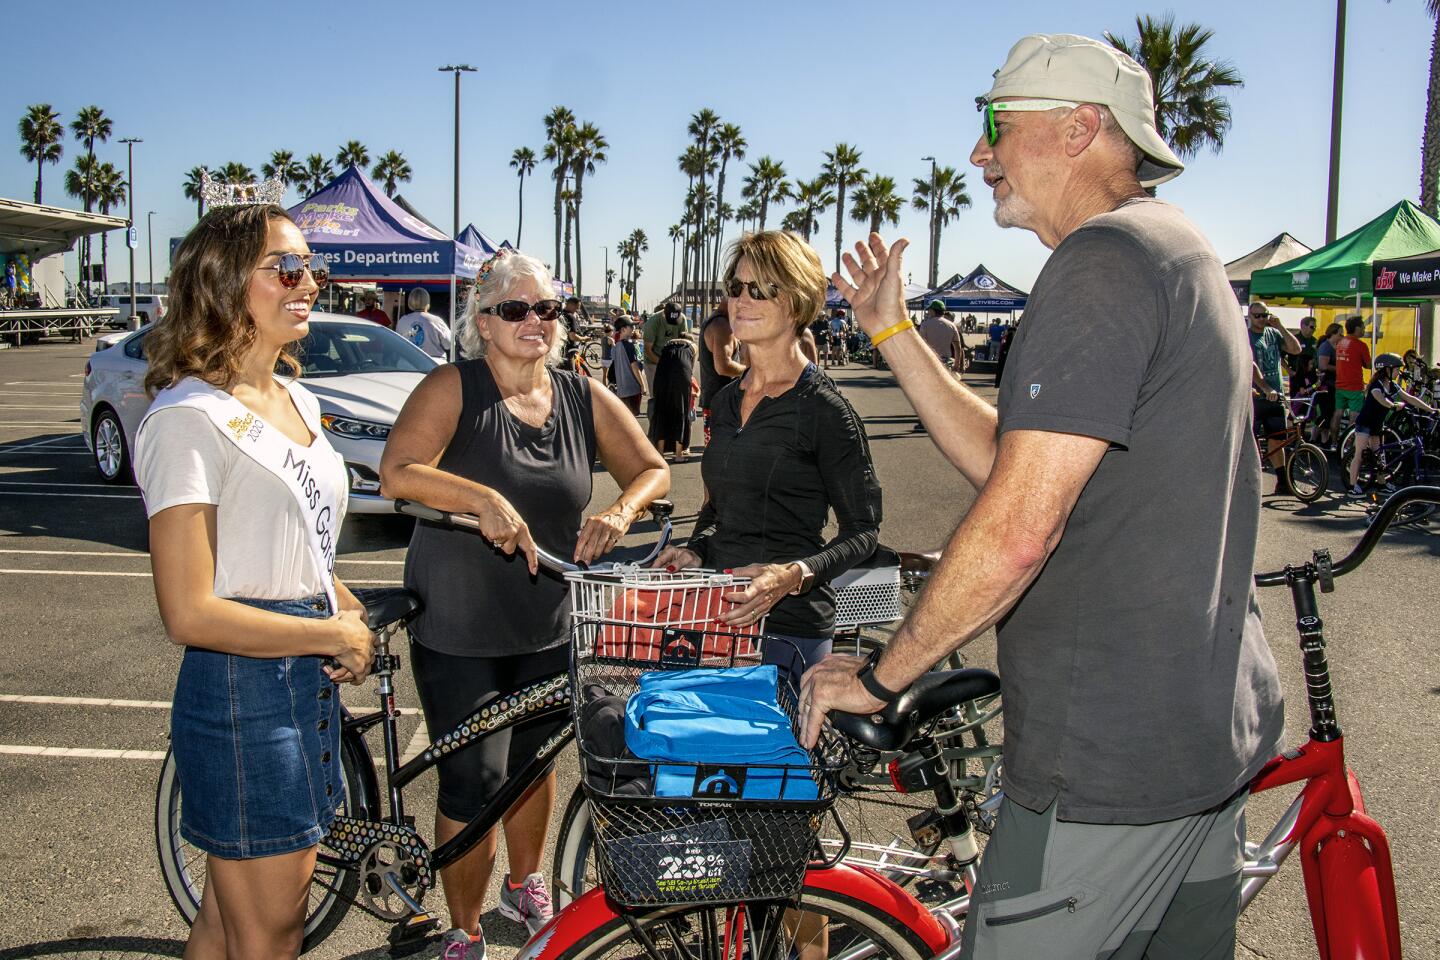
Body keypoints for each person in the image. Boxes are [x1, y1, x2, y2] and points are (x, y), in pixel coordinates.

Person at [802, 34, 1283, 960]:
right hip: (1200, 741)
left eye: (994, 124)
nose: (978, 153)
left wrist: (878, 675)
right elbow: (1008, 459)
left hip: (1105, 758)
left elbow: (1020, 528)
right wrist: (894, 331)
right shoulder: (1176, 248)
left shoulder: (1101, 264)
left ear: (1080, 129)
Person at [377, 250, 669, 958]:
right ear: (484, 321)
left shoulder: (581, 394)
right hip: (460, 622)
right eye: (516, 308)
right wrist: (481, 498)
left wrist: (622, 512)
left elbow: (653, 470)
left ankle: (526, 882)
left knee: (536, 763)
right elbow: (397, 473)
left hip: (547, 621)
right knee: (472, 782)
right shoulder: (454, 387)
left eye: (547, 309)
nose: (535, 321)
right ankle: (463, 930)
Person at [133, 203, 375, 959]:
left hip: (299, 675)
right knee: (269, 933)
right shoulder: (186, 420)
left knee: (228, 920)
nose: (309, 283)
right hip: (242, 690)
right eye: (287, 267)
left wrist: (336, 597)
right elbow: (190, 611)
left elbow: (291, 537)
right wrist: (327, 631)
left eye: (312, 268)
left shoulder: (297, 396)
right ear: (224, 279)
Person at [653, 229, 882, 680]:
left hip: (789, 630)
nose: (741, 300)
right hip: (715, 614)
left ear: (796, 302)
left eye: (761, 290)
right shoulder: (724, 402)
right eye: (735, 288)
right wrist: (696, 551)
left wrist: (794, 574)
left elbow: (863, 530)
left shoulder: (824, 409)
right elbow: (719, 508)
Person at [1345, 352, 1436, 494]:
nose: (1398, 372)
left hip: (1377, 424)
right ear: (1387, 369)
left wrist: (1430, 409)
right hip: (1365, 423)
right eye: (1396, 369)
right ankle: (1352, 486)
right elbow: (1380, 398)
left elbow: (1410, 398)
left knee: (1379, 454)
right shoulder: (1377, 384)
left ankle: (1381, 483)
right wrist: (1393, 405)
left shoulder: (1392, 385)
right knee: (1360, 453)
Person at [1247, 302, 1302, 494]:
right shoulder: (1246, 336)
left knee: (1278, 439)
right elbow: (1251, 366)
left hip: (1275, 396)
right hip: (1255, 397)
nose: (1262, 319)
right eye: (1257, 316)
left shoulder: (1273, 333)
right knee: (1250, 441)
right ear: (1250, 316)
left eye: (1265, 315)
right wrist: (1264, 387)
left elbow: (1296, 349)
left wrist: (1280, 326)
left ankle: (1283, 480)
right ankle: (1247, 480)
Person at [699, 300, 746, 444]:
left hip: (715, 399)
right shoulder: (721, 325)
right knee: (722, 453)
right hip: (723, 403)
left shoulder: (714, 321)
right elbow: (723, 367)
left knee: (715, 452)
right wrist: (751, 371)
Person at [915, 300, 964, 432]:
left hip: (930, 361)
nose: (928, 312)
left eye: (929, 310)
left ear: (933, 311)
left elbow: (920, 345)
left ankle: (925, 422)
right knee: (943, 392)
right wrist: (957, 363)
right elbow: (958, 347)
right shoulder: (951, 325)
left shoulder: (925, 325)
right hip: (946, 361)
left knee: (926, 392)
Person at [649, 330, 696, 462]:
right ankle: (679, 454)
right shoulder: (692, 346)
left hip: (662, 372)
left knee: (661, 409)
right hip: (681, 373)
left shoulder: (668, 344)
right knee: (680, 410)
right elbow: (690, 368)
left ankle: (660, 453)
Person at [1330, 315, 1372, 442]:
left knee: (1337, 414)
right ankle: (1346, 445)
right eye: (1363, 327)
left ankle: (1334, 442)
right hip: (1354, 386)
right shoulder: (1360, 345)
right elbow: (1369, 365)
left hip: (1340, 384)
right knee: (1354, 418)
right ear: (1357, 328)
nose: (1364, 329)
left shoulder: (1340, 343)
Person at [399, 287, 453, 361]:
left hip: (408, 362)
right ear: (427, 301)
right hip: (433, 362)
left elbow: (398, 343)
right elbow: (449, 344)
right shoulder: (436, 320)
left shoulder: (403, 320)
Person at [1311, 321, 1343, 446]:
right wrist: (1340, 368)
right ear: (1333, 334)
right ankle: (1314, 437)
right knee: (1326, 413)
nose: (1342, 337)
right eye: (1340, 334)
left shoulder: (1335, 347)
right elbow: (1323, 365)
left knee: (1330, 413)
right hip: (1325, 385)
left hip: (1333, 385)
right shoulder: (1326, 346)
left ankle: (1324, 440)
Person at [610, 317, 648, 416]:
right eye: (631, 326)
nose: (634, 328)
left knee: (624, 418)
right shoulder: (630, 346)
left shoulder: (616, 346)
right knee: (632, 417)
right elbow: (635, 367)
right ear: (623, 329)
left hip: (622, 389)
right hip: (632, 388)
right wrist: (643, 385)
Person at [559, 295, 586, 371]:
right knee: (570, 376)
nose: (577, 309)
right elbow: (572, 336)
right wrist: (584, 339)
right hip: (569, 351)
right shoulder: (570, 316)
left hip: (560, 350)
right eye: (577, 307)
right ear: (571, 305)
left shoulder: (560, 315)